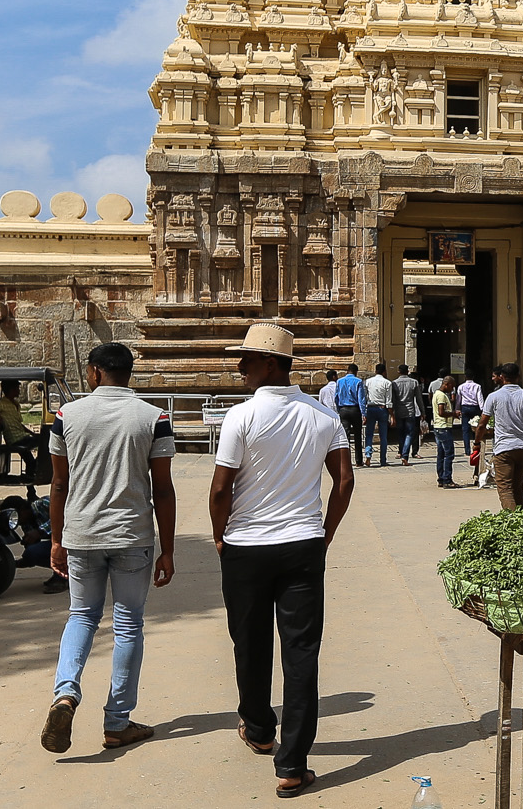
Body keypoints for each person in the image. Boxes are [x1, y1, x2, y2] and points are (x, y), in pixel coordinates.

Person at [210, 323, 355, 799]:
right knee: (300, 653)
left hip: (247, 547)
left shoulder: (241, 417)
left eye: (247, 360)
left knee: (248, 642)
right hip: (302, 545)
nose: (240, 368)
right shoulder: (323, 416)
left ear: (270, 364)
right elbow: (344, 482)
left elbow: (219, 488)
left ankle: (257, 727)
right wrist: (325, 533)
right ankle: (291, 764)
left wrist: (219, 536)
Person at [40, 342, 176, 755]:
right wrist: (167, 549)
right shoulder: (154, 417)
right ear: (127, 373)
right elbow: (163, 488)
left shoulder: (67, 416)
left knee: (81, 616)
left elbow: (59, 484)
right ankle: (117, 722)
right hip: (132, 535)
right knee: (128, 624)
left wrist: (56, 537)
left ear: (95, 372)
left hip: (82, 534)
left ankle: (65, 694)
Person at [478, 363, 523, 510]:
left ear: (501, 377)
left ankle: (513, 521)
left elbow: (482, 423)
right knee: (518, 486)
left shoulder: (494, 397)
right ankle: (521, 516)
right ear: (518, 377)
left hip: (504, 448)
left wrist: (477, 442)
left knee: (505, 488)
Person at [0, 379, 42, 495]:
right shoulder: (2, 403)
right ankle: (31, 479)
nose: (19, 391)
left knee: (31, 460)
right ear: (11, 390)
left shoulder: (16, 404)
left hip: (22, 436)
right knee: (43, 443)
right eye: (16, 388)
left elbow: (19, 424)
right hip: (15, 439)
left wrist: (32, 433)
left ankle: (30, 484)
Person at [335, 365, 366, 468]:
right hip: (355, 409)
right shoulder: (358, 381)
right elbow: (361, 399)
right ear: (356, 371)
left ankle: (346, 461)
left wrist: (339, 409)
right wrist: (364, 413)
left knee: (345, 437)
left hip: (344, 409)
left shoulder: (339, 381)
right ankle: (358, 461)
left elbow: (336, 397)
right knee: (357, 436)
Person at [431, 375, 460, 488]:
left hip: (439, 427)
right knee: (449, 454)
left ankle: (441, 478)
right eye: (452, 387)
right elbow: (441, 412)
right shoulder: (441, 396)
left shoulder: (437, 394)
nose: (452, 389)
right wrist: (453, 414)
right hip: (443, 427)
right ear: (446, 384)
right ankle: (447, 479)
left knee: (441, 454)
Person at [391, 364, 423, 464]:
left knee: (401, 433)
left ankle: (402, 451)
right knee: (410, 433)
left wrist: (392, 413)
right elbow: (418, 399)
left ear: (398, 371)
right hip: (410, 411)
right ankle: (405, 455)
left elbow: (393, 399)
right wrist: (423, 411)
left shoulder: (394, 383)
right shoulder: (414, 382)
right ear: (408, 371)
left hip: (399, 411)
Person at [365, 362, 395, 466]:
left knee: (369, 433)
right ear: (384, 372)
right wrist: (392, 415)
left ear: (375, 371)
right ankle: (383, 459)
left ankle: (368, 454)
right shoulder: (387, 383)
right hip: (382, 409)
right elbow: (389, 401)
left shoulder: (368, 382)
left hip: (370, 408)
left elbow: (365, 397)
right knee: (383, 436)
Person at [455, 371, 484, 455]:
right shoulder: (477, 386)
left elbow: (458, 399)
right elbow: (480, 398)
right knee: (476, 428)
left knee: (465, 429)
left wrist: (457, 409)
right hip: (475, 407)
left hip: (465, 407)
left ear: (465, 377)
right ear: (473, 377)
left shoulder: (461, 387)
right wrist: (482, 409)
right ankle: (476, 446)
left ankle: (467, 450)